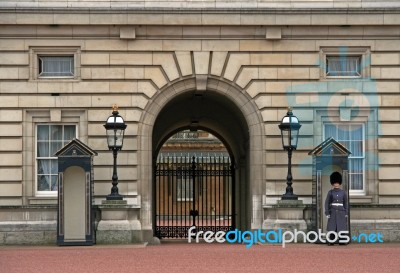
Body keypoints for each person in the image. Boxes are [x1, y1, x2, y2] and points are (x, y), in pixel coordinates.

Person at [324, 171, 348, 246]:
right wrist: (327, 212)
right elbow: (326, 203)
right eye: (335, 182)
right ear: (333, 183)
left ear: (339, 183)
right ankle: (332, 240)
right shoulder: (330, 192)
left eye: (337, 182)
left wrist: (346, 212)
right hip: (333, 211)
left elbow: (346, 203)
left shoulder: (343, 192)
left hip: (341, 212)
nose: (336, 184)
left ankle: (342, 240)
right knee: (332, 227)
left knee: (341, 227)